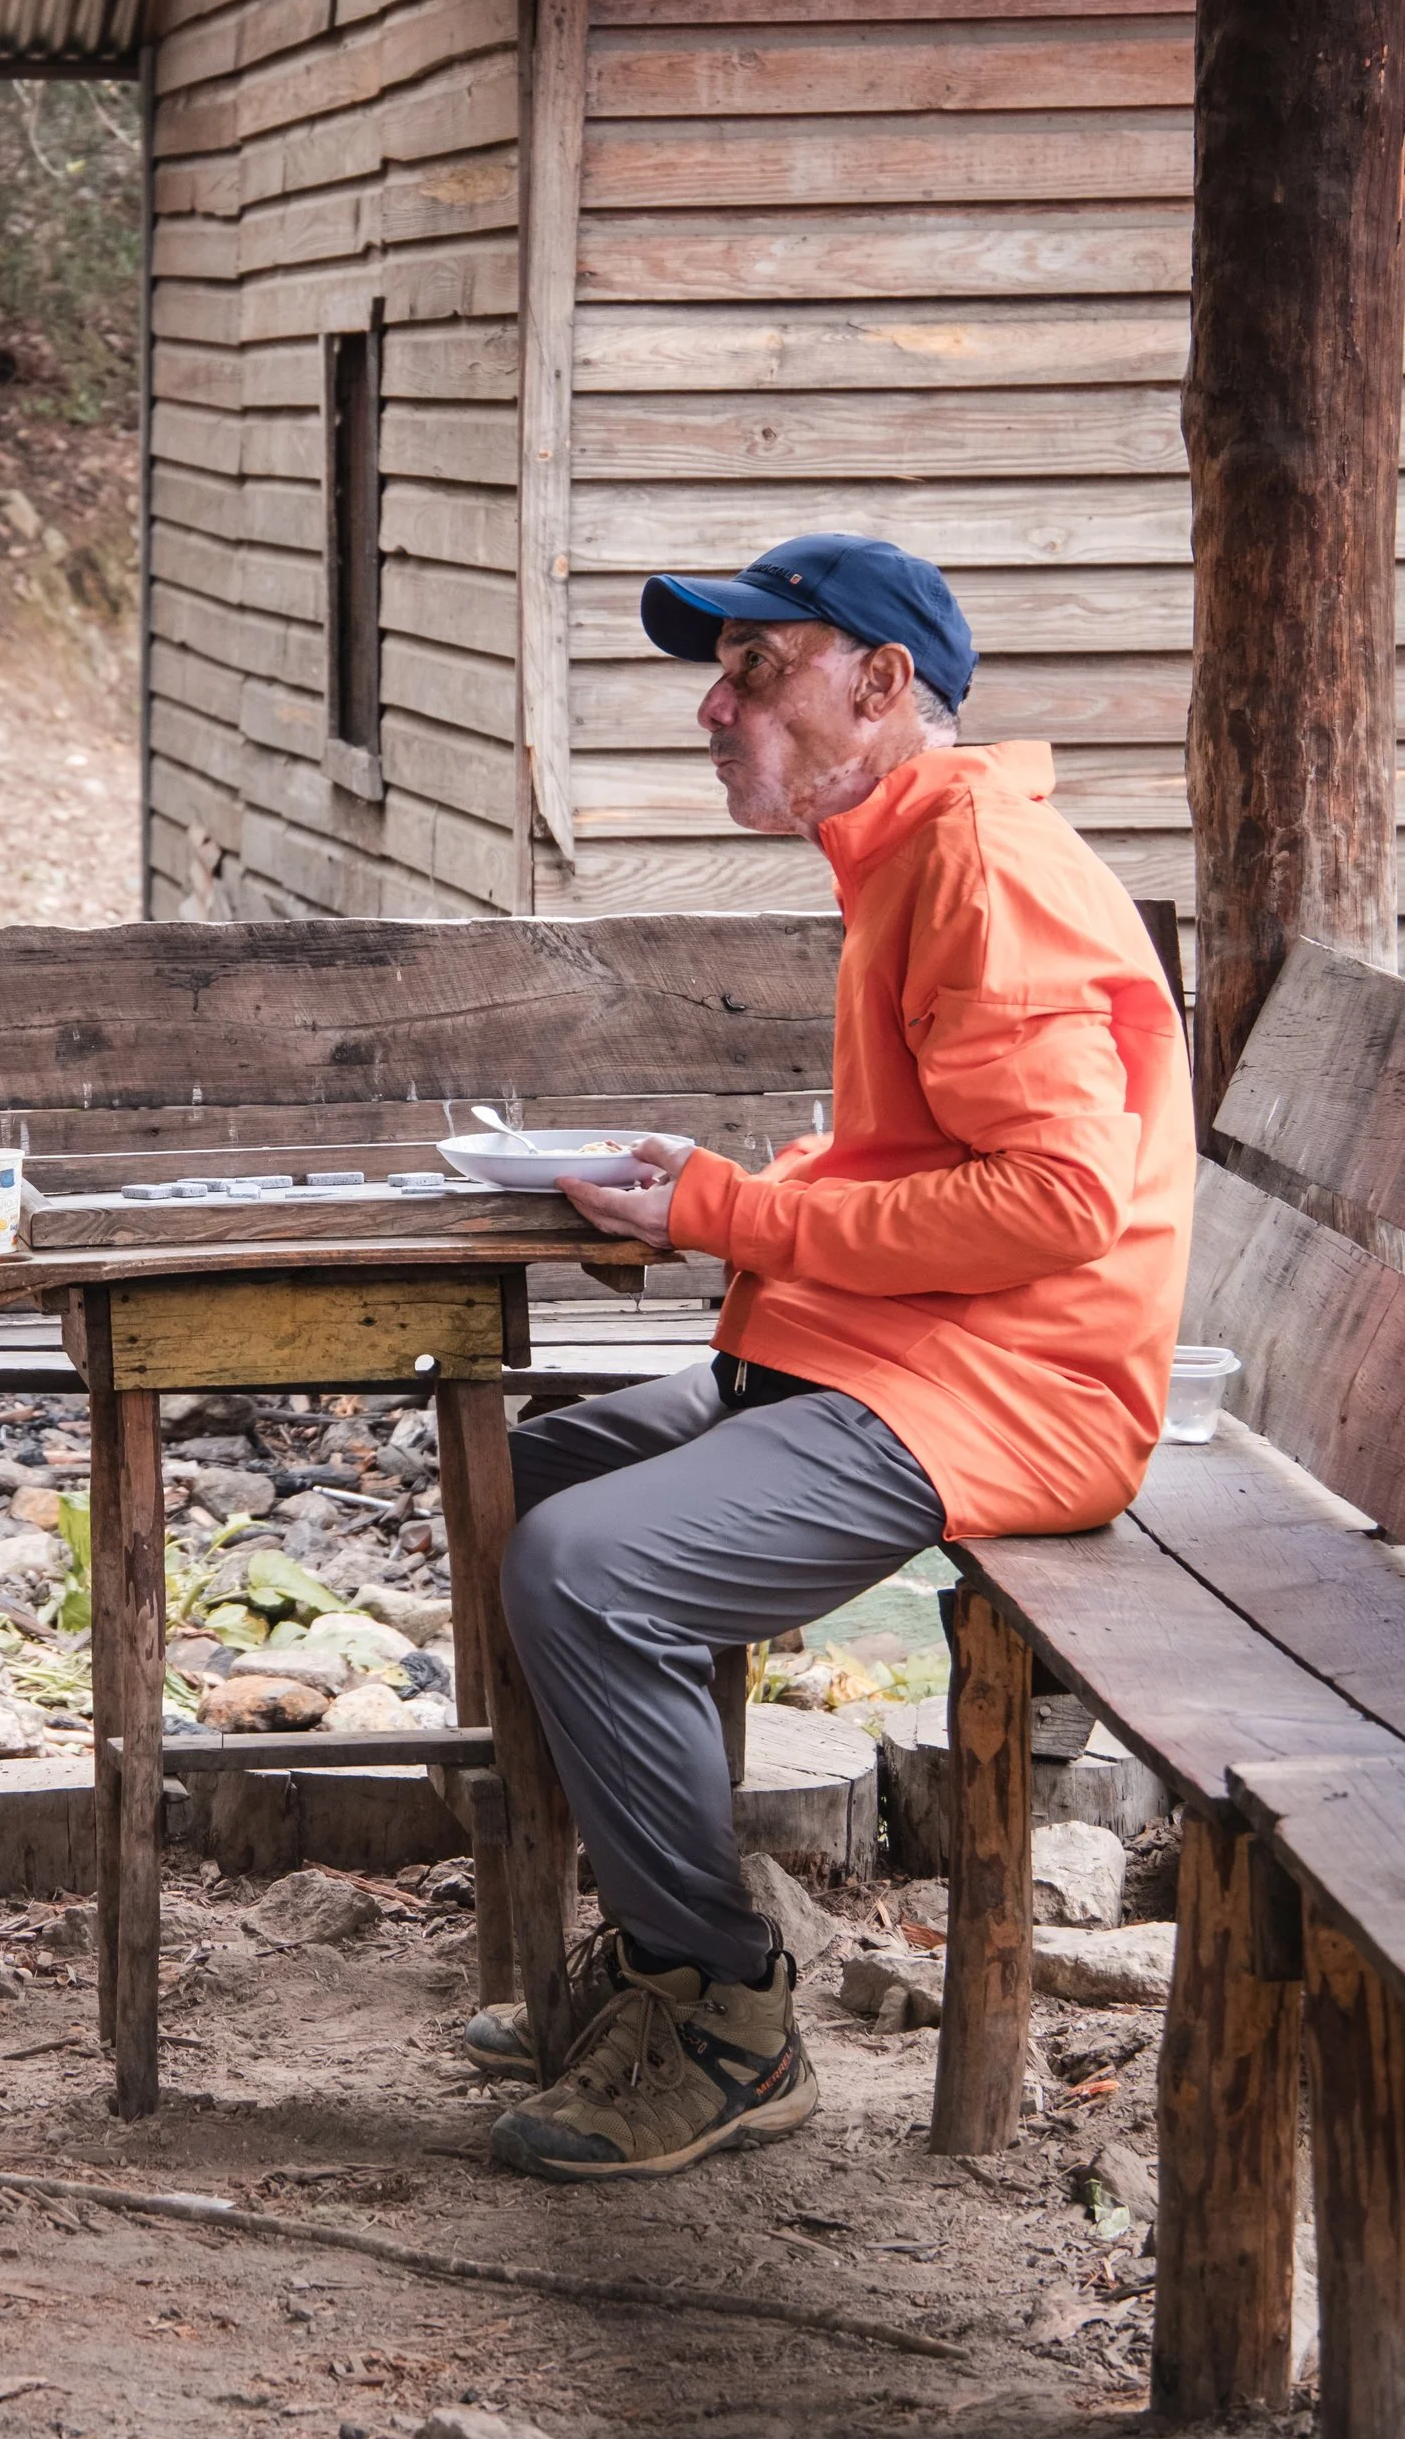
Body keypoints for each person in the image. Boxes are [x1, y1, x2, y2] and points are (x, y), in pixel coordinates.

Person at [474, 532, 1195, 2183]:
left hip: (1014, 1388)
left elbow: (1061, 1199)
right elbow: (951, 1156)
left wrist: (734, 1213)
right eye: (720, 678)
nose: (716, 712)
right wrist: (748, 1185)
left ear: (881, 684)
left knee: (586, 1568)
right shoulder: (907, 849)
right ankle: (659, 1951)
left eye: (756, 669)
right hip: (910, 1349)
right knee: (519, 1477)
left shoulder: (980, 867)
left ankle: (725, 2014)